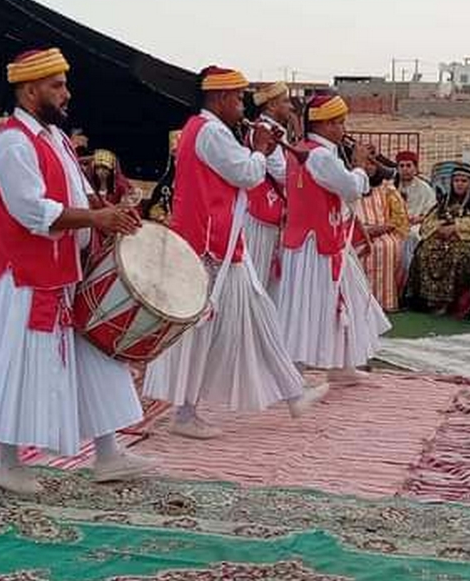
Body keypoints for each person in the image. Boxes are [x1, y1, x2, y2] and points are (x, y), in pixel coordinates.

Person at [0, 48, 155, 493]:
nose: (67, 93)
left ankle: (108, 454)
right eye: (57, 85)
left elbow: (78, 196)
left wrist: (110, 210)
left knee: (95, 359)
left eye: (64, 83)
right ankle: (6, 462)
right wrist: (96, 219)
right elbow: (32, 212)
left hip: (67, 273)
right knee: (15, 366)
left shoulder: (55, 139)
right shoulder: (10, 144)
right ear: (29, 90)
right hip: (21, 279)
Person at [144, 67, 323, 439]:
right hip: (212, 246)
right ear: (220, 98)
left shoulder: (205, 129)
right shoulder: (210, 132)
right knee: (202, 328)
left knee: (258, 315)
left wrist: (266, 149)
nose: (242, 104)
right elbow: (246, 174)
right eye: (238, 97)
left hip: (220, 241)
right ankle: (185, 413)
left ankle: (292, 395)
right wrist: (258, 149)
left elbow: (258, 172)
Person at [279, 94, 391, 383]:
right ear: (325, 125)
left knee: (348, 301)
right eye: (339, 123)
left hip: (320, 239)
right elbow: (351, 189)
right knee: (312, 307)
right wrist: (360, 167)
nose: (344, 128)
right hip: (317, 245)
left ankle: (341, 365)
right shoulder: (320, 156)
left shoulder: (304, 149)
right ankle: (293, 373)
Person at [407, 162, 470, 315]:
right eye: (456, 181)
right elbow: (429, 220)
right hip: (441, 237)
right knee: (424, 251)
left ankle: (448, 302)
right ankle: (429, 300)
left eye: (463, 181)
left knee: (456, 255)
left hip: (466, 241)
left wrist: (456, 227)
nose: (459, 184)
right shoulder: (444, 200)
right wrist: (439, 228)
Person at [244, 81, 293, 295]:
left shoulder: (274, 130)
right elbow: (281, 173)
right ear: (272, 106)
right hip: (260, 213)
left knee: (268, 277)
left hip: (268, 210)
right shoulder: (265, 131)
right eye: (286, 101)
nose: (291, 106)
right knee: (258, 276)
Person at [354, 174, 409, 312]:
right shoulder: (348, 182)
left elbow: (399, 216)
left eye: (373, 164)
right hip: (352, 231)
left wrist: (386, 227)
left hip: (384, 231)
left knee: (389, 245)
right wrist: (363, 231)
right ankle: (358, 304)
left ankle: (387, 303)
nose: (370, 168)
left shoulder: (387, 187)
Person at [395, 150, 436, 276]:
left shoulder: (424, 187)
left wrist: (417, 219)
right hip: (393, 224)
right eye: (401, 166)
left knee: (411, 235)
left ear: (415, 168)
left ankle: (409, 275)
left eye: (408, 166)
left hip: (416, 225)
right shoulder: (391, 186)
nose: (405, 169)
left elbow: (432, 212)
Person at [143, 130, 179, 225]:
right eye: (175, 155)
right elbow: (153, 212)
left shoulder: (200, 186)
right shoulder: (164, 186)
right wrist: (163, 218)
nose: (177, 160)